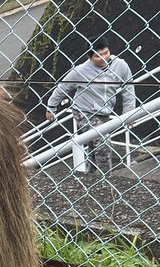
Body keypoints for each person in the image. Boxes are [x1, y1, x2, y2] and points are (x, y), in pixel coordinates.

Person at [45, 39, 136, 171]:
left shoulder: (120, 66)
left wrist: (129, 114)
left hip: (105, 111)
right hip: (83, 111)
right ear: (89, 57)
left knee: (95, 145)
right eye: (98, 56)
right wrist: (51, 107)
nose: (103, 58)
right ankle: (106, 179)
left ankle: (92, 175)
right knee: (102, 142)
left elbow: (128, 90)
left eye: (106, 53)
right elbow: (62, 88)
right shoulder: (81, 71)